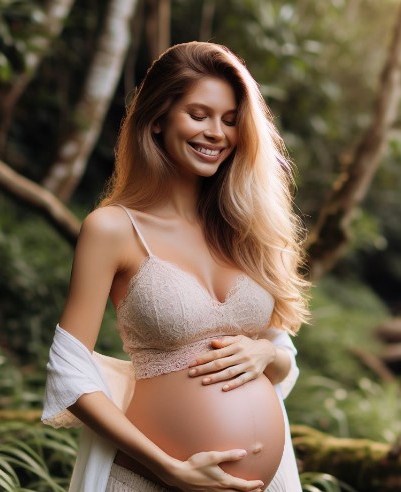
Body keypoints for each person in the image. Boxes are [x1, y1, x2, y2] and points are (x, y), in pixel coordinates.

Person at [42, 41, 310, 492]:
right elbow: (70, 372)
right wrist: (170, 468)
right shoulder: (112, 229)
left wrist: (267, 354)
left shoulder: (246, 230)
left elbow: (282, 355)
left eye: (230, 120)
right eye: (199, 114)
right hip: (149, 479)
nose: (217, 133)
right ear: (158, 118)